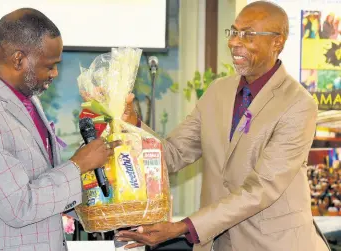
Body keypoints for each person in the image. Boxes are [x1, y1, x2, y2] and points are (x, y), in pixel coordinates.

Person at [117, 1, 330, 251]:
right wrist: (133, 126)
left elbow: (261, 189)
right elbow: (173, 154)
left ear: (277, 42)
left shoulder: (298, 104)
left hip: (275, 244)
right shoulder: (218, 91)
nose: (233, 42)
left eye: (247, 34)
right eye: (233, 32)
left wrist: (182, 227)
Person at [0, 8, 120, 251]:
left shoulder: (28, 101)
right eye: (49, 65)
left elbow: (43, 182)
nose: (55, 73)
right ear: (19, 59)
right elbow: (19, 206)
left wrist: (108, 201)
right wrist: (78, 166)